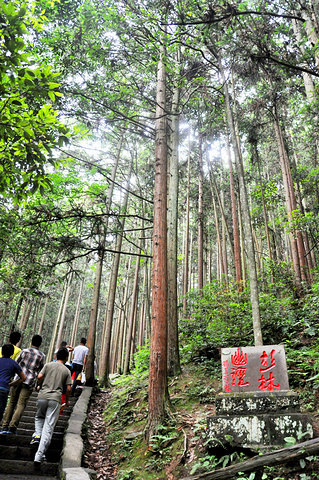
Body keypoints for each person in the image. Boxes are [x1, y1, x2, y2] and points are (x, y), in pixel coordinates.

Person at [32, 347, 72, 469]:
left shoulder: (48, 365)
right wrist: (67, 401)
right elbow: (69, 388)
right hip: (55, 399)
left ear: (56, 356)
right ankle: (39, 456)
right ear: (66, 358)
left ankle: (37, 435)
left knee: (39, 418)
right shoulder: (66, 370)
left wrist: (39, 386)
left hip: (42, 396)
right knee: (49, 426)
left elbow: (39, 376)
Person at [1, 334, 45, 434]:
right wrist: (38, 384)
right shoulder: (42, 356)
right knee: (21, 404)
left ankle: (4, 426)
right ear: (40, 344)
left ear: (31, 342)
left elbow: (16, 363)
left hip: (18, 379)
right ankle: (12, 427)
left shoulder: (24, 351)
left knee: (12, 402)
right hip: (29, 382)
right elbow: (40, 370)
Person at [0, 344, 25, 422]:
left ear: (2, 352)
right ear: (12, 353)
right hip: (4, 388)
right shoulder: (14, 363)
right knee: (0, 410)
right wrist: (11, 384)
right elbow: (23, 378)